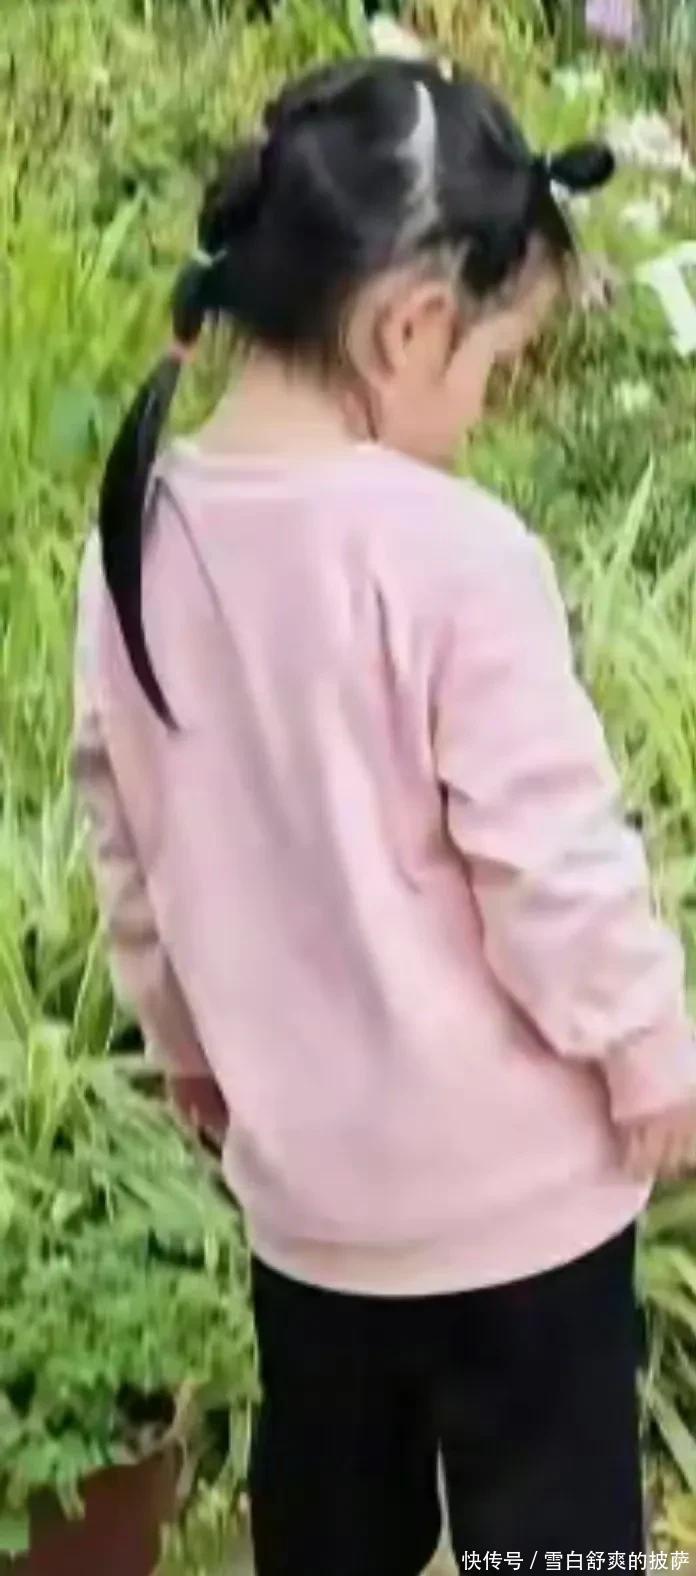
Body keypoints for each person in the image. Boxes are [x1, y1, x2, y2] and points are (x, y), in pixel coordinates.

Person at [74, 58, 696, 1575]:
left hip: (313, 1212)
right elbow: (551, 866)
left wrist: (190, 1049)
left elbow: (128, 843)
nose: (479, 414)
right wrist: (654, 1058)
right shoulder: (449, 555)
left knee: (331, 1534)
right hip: (520, 1212)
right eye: (491, 368)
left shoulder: (139, 536)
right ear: (411, 327)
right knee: (552, 1549)